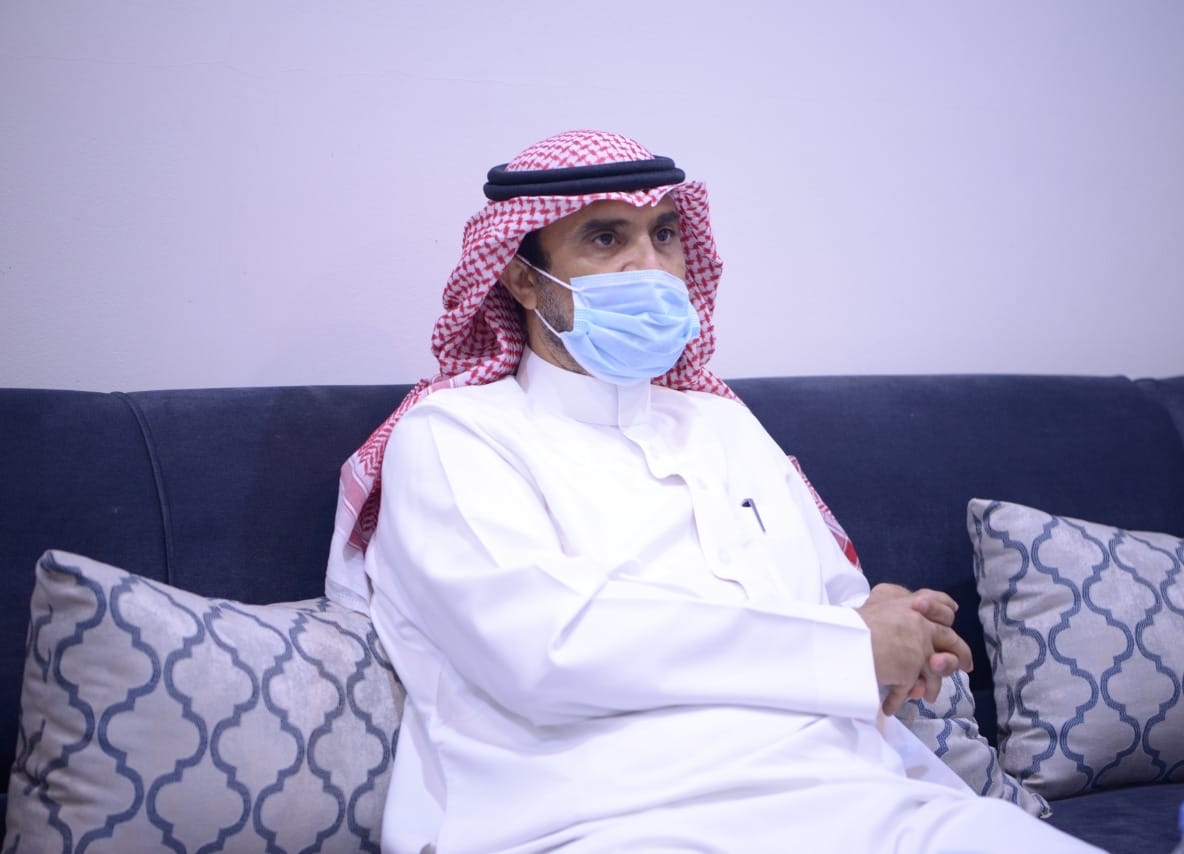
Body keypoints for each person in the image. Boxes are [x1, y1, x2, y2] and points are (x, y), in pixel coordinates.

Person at [325, 130, 1099, 853]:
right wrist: (846, 647)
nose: (651, 267)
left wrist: (896, 629)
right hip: (610, 820)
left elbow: (844, 608)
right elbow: (547, 652)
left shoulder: (722, 424)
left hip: (861, 797)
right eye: (606, 239)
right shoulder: (455, 436)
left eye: (664, 234)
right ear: (524, 279)